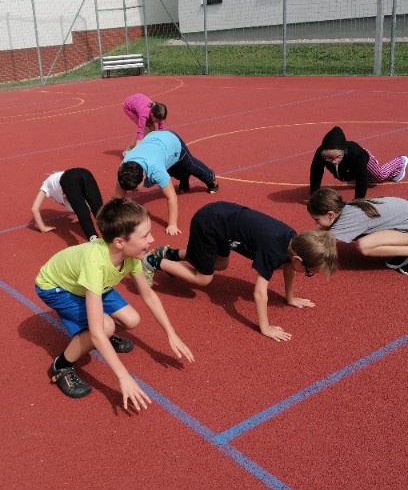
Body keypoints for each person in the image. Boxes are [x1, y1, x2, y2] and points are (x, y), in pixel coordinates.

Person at [35, 197, 194, 409]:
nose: (152, 239)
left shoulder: (131, 255)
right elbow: (96, 332)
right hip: (55, 287)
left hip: (87, 285)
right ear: (120, 242)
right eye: (145, 235)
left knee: (132, 320)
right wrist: (123, 377)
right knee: (104, 327)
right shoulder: (95, 265)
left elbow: (148, 295)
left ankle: (102, 335)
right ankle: (60, 367)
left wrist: (171, 334)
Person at [142, 201, 338, 342]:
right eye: (309, 272)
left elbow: (289, 267)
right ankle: (154, 261)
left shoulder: (293, 241)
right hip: (209, 223)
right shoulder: (273, 249)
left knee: (220, 264)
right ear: (298, 259)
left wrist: (290, 298)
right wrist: (265, 327)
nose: (307, 274)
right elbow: (259, 292)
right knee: (203, 279)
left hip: (221, 220)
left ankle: (171, 253)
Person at [115, 129, 218, 236]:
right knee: (172, 170)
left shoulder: (156, 170)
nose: (131, 192)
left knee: (191, 166)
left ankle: (211, 178)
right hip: (155, 143)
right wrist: (116, 221)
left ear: (143, 176)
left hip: (171, 142)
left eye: (134, 188)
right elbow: (118, 200)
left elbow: (171, 196)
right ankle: (184, 178)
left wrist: (172, 224)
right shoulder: (123, 172)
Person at [307, 186, 408, 274]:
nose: (317, 223)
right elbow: (320, 232)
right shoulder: (346, 208)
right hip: (403, 219)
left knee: (364, 246)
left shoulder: (350, 219)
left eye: (317, 219)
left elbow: (320, 243)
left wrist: (300, 254)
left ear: (330, 215)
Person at [309, 125, 408, 199]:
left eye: (337, 157)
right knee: (348, 176)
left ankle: (399, 162)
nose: (334, 161)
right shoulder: (321, 153)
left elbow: (361, 177)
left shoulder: (355, 152)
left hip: (364, 159)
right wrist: (314, 194)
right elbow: (316, 172)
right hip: (349, 167)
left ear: (344, 151)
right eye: (329, 158)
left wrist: (358, 200)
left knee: (379, 176)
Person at [31, 168, 103, 241]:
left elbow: (34, 208)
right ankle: (112, 235)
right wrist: (80, 215)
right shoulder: (58, 181)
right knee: (99, 209)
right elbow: (82, 200)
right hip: (85, 173)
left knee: (83, 211)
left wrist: (42, 228)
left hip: (69, 179)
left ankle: (94, 240)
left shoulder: (46, 186)